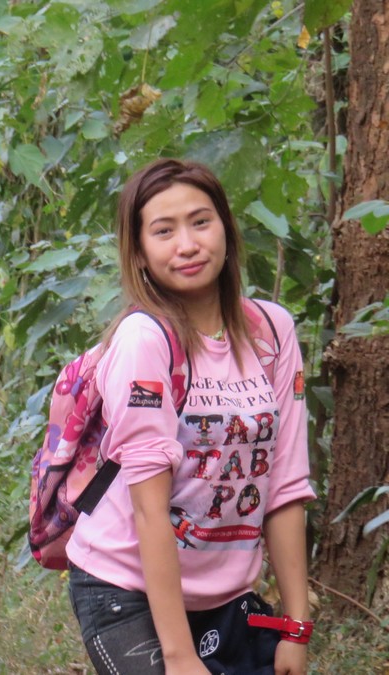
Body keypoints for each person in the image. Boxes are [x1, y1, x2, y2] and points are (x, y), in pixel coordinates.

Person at [64, 159, 313, 674]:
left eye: (201, 222)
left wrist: (295, 626)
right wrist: (178, 657)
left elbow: (285, 486)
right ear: (139, 251)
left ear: (226, 227)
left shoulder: (272, 332)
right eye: (163, 231)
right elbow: (149, 510)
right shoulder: (144, 340)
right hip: (124, 584)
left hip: (226, 594)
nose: (187, 244)